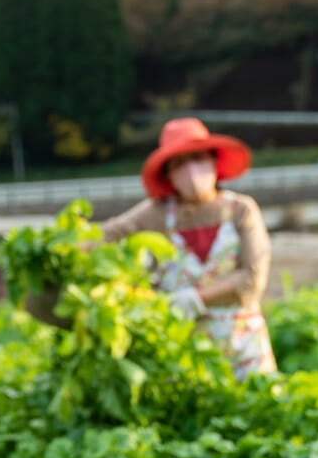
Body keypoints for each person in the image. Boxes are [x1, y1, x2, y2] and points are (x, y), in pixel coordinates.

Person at [100, 117, 277, 381]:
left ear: (213, 161)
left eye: (197, 158)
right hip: (185, 355)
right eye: (179, 164)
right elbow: (107, 236)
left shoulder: (241, 210)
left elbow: (252, 279)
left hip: (244, 349)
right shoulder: (156, 216)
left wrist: (195, 298)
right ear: (169, 174)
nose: (191, 171)